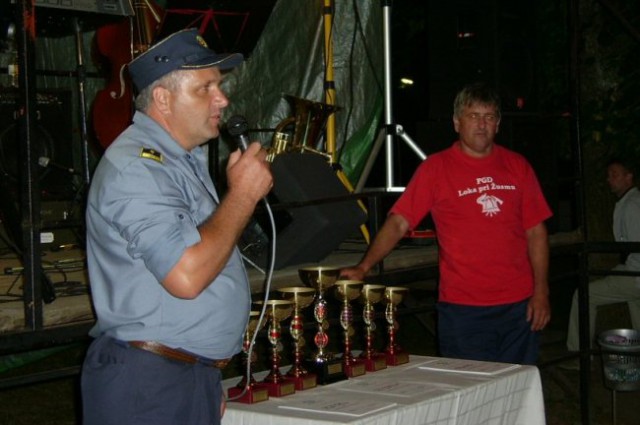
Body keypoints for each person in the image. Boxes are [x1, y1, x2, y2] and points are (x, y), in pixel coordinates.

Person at [80, 28, 273, 425]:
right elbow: (186, 276)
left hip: (181, 373)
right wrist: (241, 197)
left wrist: (205, 376)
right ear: (163, 99)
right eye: (206, 88)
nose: (222, 99)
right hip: (147, 384)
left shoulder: (180, 160)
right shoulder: (137, 168)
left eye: (219, 86)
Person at [341, 82, 552, 365]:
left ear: (498, 124)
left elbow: (536, 232)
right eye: (473, 116)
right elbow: (399, 222)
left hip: (519, 306)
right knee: (470, 395)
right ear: (456, 123)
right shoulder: (435, 168)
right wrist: (364, 266)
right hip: (463, 308)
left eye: (489, 117)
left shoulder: (518, 166)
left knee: (515, 390)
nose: (481, 124)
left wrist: (541, 291)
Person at [566, 158, 640, 353]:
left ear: (628, 177)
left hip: (636, 275)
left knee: (583, 294)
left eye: (614, 175)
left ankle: (578, 354)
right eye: (608, 175)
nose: (609, 179)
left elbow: (635, 244)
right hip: (633, 272)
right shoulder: (630, 201)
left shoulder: (632, 205)